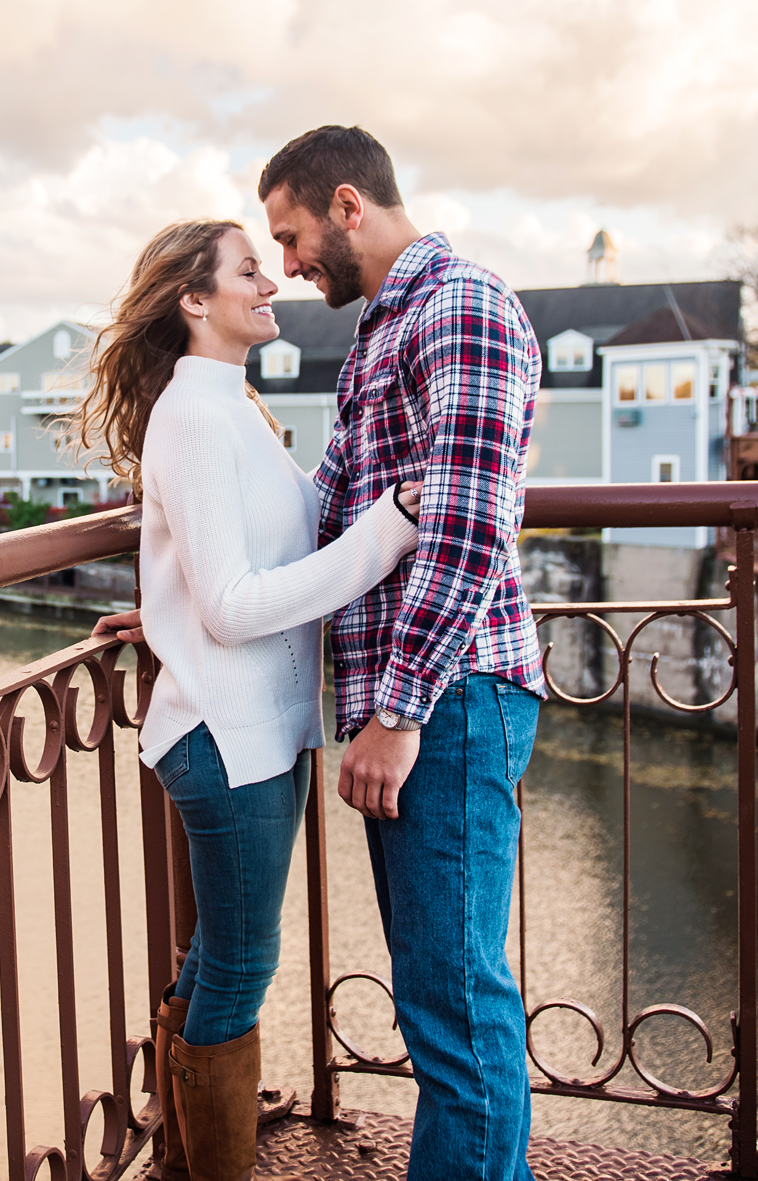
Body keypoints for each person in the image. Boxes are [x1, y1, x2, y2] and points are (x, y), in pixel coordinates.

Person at [80, 217, 422, 1181]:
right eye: (247, 268)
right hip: (225, 738)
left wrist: (164, 610)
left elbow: (237, 564)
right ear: (195, 299)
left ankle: (188, 1160)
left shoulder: (236, 408)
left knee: (223, 961)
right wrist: (391, 528)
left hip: (258, 731)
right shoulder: (193, 415)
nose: (270, 281)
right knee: (239, 965)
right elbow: (234, 607)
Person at [265, 125, 544, 1180]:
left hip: (450, 700)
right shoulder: (384, 328)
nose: (287, 263)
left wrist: (397, 712)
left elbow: (470, 522)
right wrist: (168, 601)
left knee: (455, 1006)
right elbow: (325, 518)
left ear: (346, 204)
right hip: (430, 698)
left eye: (290, 235)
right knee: (441, 996)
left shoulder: (457, 307)